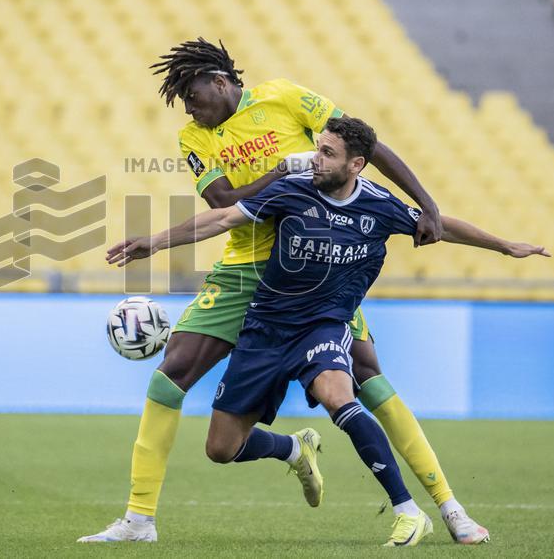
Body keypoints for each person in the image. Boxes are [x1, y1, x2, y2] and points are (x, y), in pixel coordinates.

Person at [79, 39, 485, 543]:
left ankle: (449, 508)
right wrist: (278, 173)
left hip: (316, 271)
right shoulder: (193, 137)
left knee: (370, 381)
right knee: (170, 378)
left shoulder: (285, 97)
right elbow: (223, 201)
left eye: (193, 93)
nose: (188, 106)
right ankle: (142, 519)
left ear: (221, 81)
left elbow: (367, 146)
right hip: (245, 264)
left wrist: (429, 206)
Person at [106, 116, 548, 546]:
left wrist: (504, 246)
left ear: (356, 164)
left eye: (327, 153)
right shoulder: (291, 191)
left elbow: (441, 225)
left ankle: (408, 512)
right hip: (265, 329)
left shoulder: (379, 205)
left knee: (341, 395)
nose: (314, 159)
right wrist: (155, 241)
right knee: (221, 448)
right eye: (318, 148)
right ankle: (295, 449)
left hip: (324, 324)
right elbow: (220, 219)